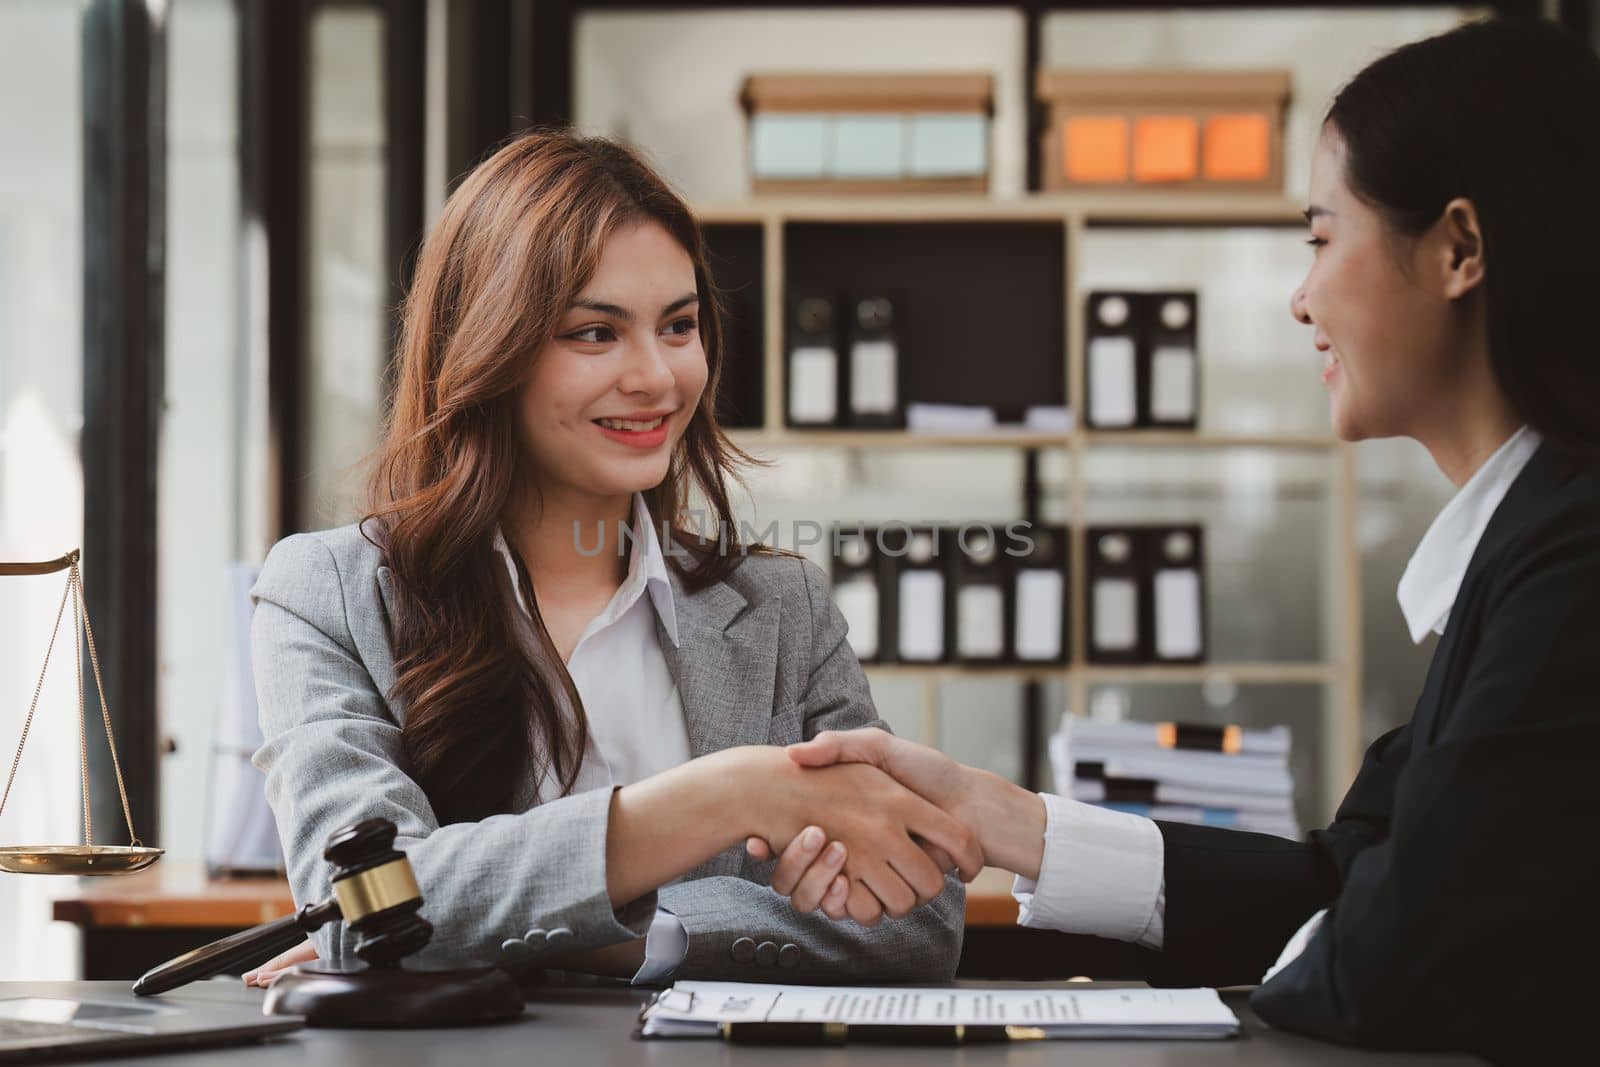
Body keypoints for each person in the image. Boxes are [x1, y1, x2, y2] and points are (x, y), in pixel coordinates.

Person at [751, 17, 1600, 1063]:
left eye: (1322, 238)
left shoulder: (1572, 563)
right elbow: (1349, 883)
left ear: (1458, 249)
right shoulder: (1528, 546)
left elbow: (1396, 953)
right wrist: (998, 813)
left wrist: (1344, 940)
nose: (1299, 297)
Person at [244, 128, 980, 988]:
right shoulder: (327, 594)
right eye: (596, 333)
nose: (656, 377)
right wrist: (733, 794)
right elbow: (362, 903)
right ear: (486, 347)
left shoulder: (783, 605)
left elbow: (923, 917)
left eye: (678, 326)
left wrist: (647, 931)